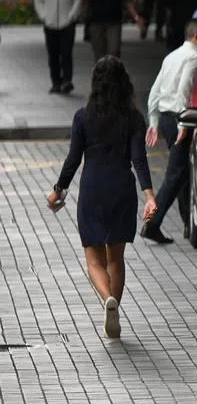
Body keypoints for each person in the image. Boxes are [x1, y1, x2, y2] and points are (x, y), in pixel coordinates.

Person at [46, 56, 158, 339]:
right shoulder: (134, 118)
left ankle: (107, 298)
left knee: (94, 259)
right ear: (124, 85)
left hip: (93, 187)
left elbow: (73, 160)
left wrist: (58, 190)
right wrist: (150, 196)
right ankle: (115, 308)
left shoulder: (83, 117)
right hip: (121, 188)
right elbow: (139, 159)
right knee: (116, 259)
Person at [141, 19, 197, 244]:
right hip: (183, 120)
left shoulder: (171, 57)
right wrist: (184, 123)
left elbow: (155, 91)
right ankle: (152, 223)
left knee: (183, 173)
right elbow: (185, 90)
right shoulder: (195, 57)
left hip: (167, 119)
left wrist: (154, 121)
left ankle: (189, 224)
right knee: (176, 173)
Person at [34, 0, 82, 94]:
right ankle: (56, 82)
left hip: (66, 23)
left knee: (66, 53)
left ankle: (67, 80)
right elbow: (38, 0)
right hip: (50, 24)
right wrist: (44, 16)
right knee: (53, 54)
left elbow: (77, 0)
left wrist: (72, 16)